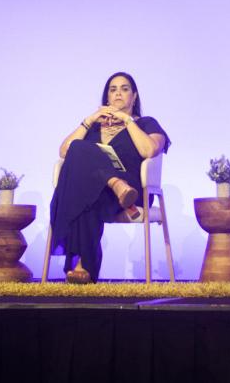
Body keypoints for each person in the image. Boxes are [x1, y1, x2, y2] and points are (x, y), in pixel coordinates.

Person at [48, 72, 169, 283]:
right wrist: (89, 120)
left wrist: (127, 120)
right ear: (107, 98)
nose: (118, 94)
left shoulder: (146, 123)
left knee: (84, 186)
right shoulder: (94, 128)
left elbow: (149, 150)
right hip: (105, 192)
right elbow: (64, 150)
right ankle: (115, 184)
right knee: (79, 156)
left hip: (133, 190)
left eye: (124, 89)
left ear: (134, 96)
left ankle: (82, 263)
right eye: (113, 90)